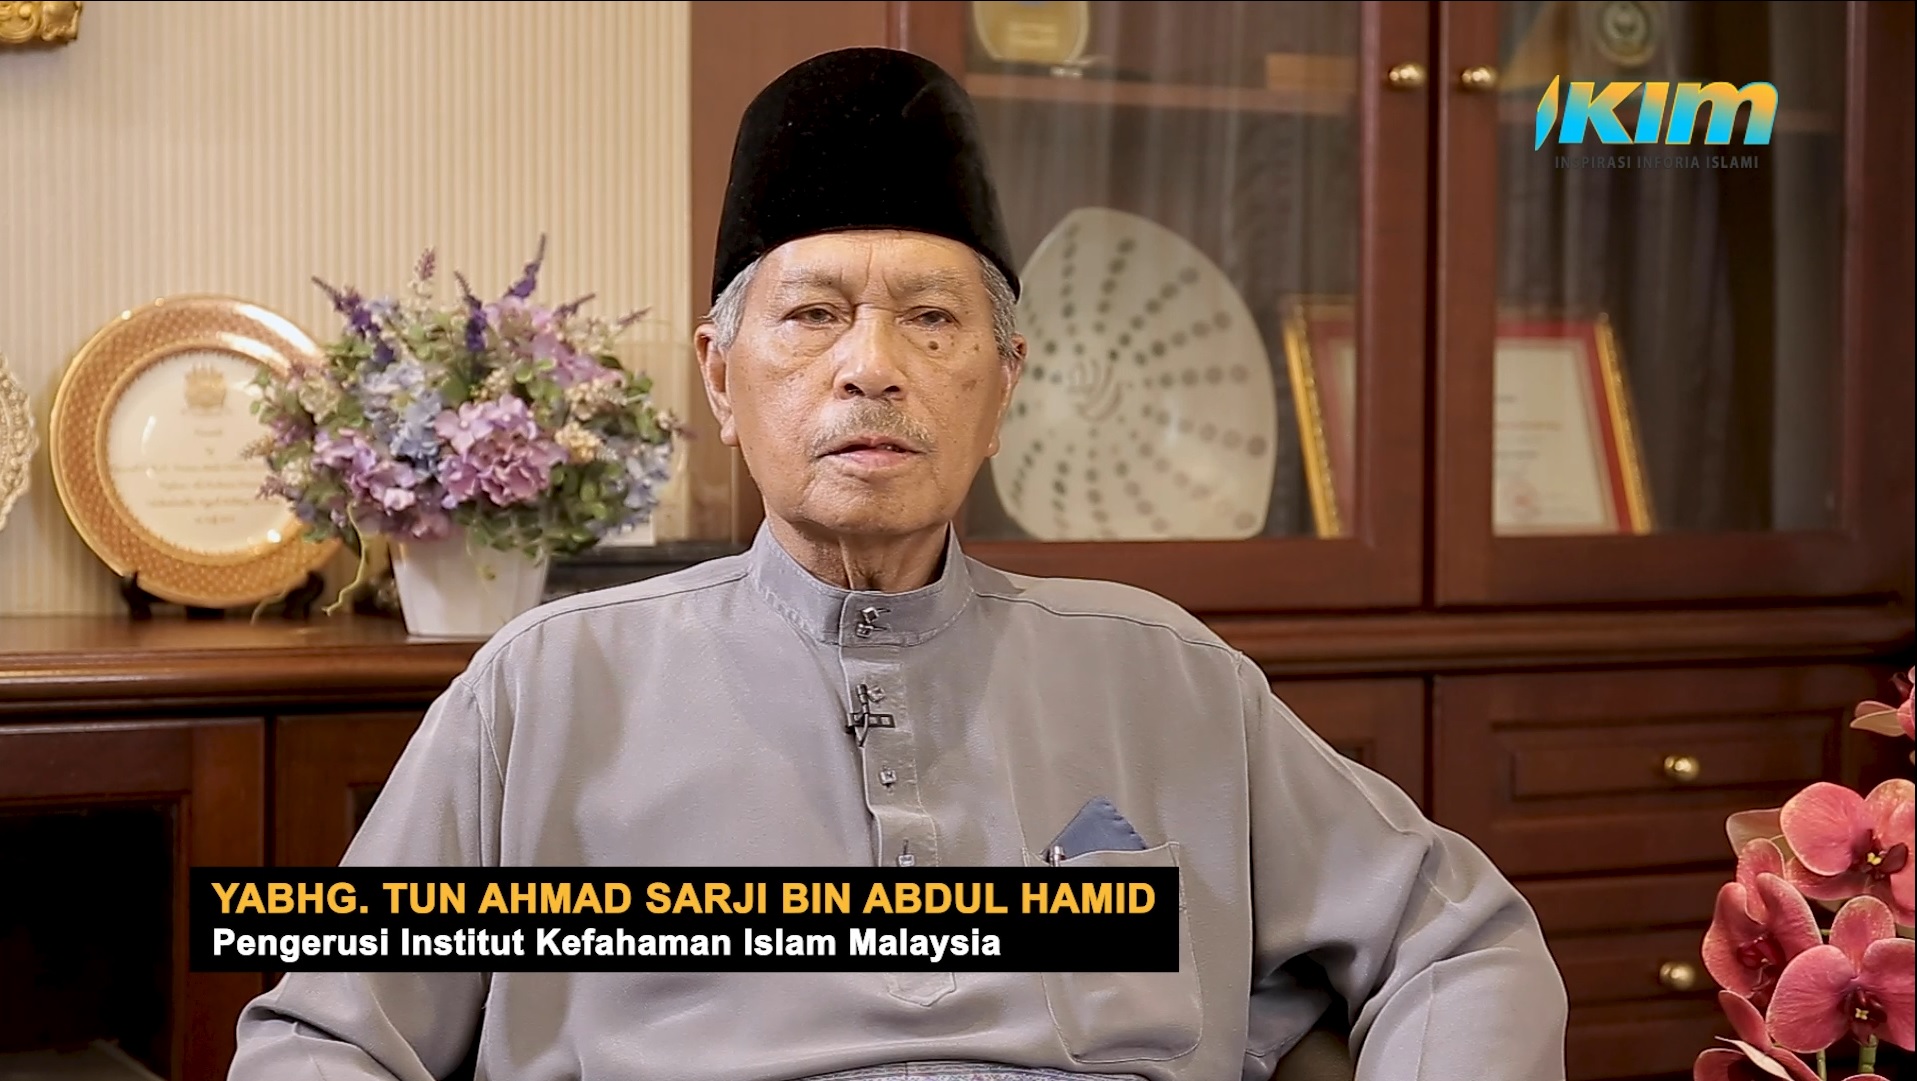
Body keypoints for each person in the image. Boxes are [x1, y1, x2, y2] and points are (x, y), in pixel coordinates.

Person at [229, 47, 1567, 1081]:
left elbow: (1456, 939)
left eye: (930, 318)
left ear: (1004, 383)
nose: (871, 365)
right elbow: (319, 1037)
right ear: (720, 377)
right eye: (813, 314)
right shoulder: (549, 689)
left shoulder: (1164, 676)